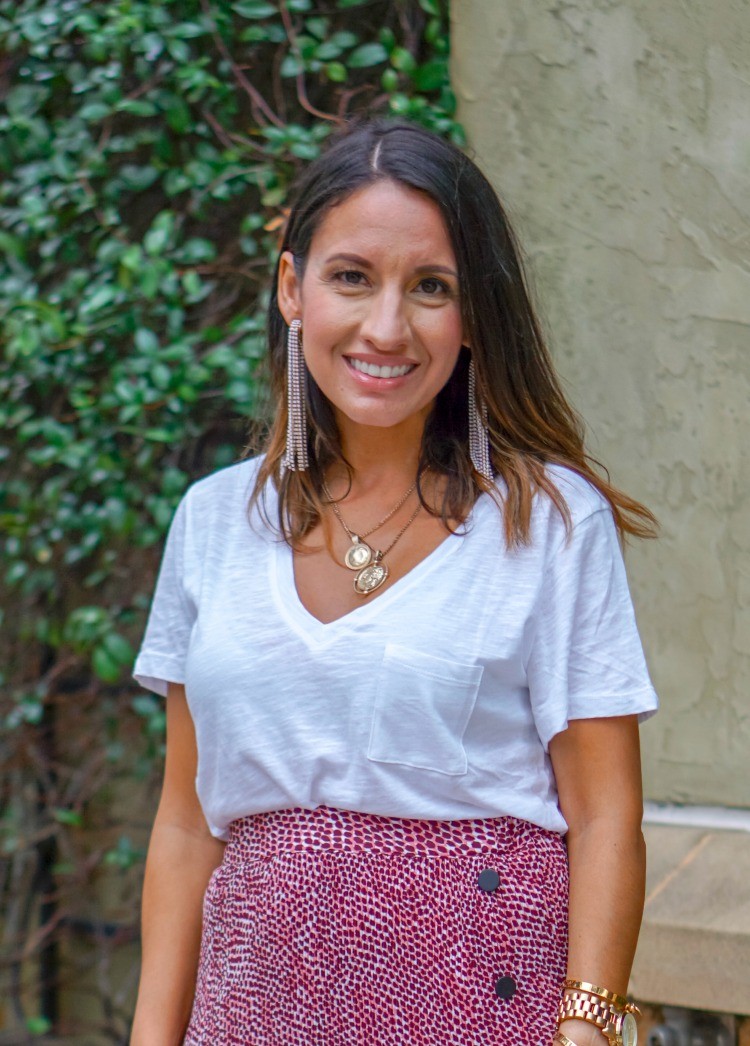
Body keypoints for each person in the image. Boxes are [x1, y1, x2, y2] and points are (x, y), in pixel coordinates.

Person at [130, 119, 658, 1046]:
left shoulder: (550, 522)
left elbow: (607, 815)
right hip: (252, 1009)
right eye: (350, 277)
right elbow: (185, 825)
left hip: (483, 1007)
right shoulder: (213, 523)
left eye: (430, 288)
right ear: (293, 288)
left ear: (473, 315)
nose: (386, 327)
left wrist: (588, 1030)